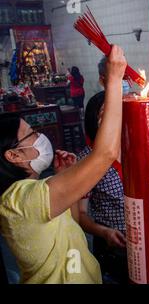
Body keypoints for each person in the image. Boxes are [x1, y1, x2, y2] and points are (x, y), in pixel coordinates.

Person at [0, 45, 127, 284]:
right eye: (31, 134)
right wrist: (114, 81)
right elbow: (105, 154)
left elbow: (76, 223)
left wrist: (65, 176)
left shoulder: (36, 191)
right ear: (13, 156)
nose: (39, 136)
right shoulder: (19, 201)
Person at [76, 90, 128, 284]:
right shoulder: (87, 160)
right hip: (114, 242)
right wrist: (104, 232)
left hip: (145, 234)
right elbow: (81, 215)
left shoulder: (136, 148)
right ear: (94, 120)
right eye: (105, 115)